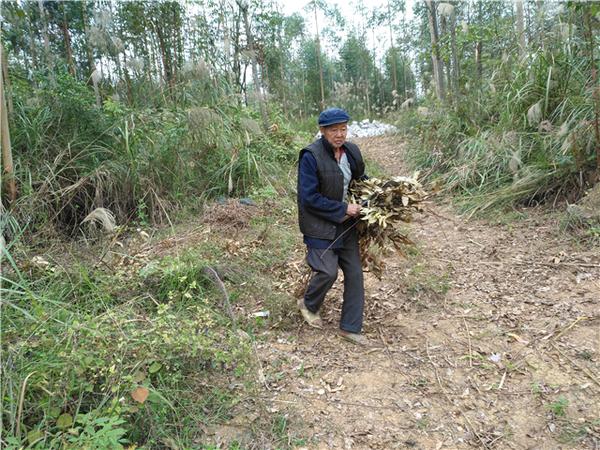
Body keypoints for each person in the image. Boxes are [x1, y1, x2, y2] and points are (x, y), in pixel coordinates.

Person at [296, 107, 370, 346]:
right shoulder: (311, 156)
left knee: (355, 273)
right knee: (328, 271)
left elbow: (360, 179)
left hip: (346, 225)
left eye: (343, 129)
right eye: (334, 130)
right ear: (322, 131)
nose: (340, 134)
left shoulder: (351, 152)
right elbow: (309, 198)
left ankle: (350, 328)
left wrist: (375, 192)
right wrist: (342, 209)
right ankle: (308, 304)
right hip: (319, 224)